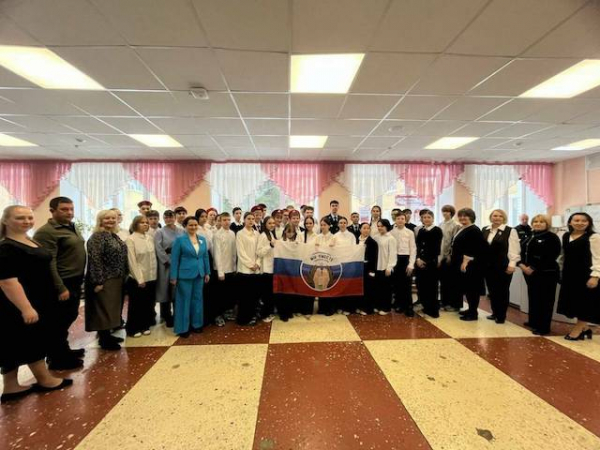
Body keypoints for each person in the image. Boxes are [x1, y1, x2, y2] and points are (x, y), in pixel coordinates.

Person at [0, 205, 73, 403]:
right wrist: (26, 308)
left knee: (15, 341)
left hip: (39, 298)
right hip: (22, 302)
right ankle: (45, 379)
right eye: (20, 218)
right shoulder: (6, 247)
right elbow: (7, 282)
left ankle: (11, 386)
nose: (27, 221)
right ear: (6, 220)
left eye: (29, 217)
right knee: (33, 339)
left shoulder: (27, 239)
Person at [33, 196, 86, 370]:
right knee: (57, 322)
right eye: (64, 209)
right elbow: (49, 262)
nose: (69, 212)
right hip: (62, 282)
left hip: (75, 280)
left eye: (71, 209)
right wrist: (60, 287)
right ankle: (56, 358)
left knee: (68, 317)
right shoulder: (46, 232)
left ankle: (63, 350)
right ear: (52, 211)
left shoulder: (71, 226)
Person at [85, 210, 128, 350]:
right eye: (107, 218)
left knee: (111, 308)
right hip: (105, 279)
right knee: (103, 309)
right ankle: (104, 339)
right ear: (100, 220)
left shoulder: (113, 235)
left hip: (116, 277)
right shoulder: (97, 236)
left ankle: (108, 334)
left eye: (113, 218)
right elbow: (95, 260)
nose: (110, 220)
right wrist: (98, 281)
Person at [557, 212, 600, 340]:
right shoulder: (566, 236)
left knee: (584, 303)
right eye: (576, 220)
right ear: (570, 222)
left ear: (589, 223)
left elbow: (598, 258)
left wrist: (595, 276)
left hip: (586, 275)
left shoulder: (594, 237)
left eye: (584, 221)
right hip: (570, 275)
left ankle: (577, 330)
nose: (580, 223)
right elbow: (563, 256)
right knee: (573, 302)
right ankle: (585, 329)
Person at [518, 214, 561, 336]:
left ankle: (544, 327)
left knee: (545, 301)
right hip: (529, 273)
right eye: (535, 221)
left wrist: (532, 267)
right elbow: (522, 252)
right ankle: (534, 321)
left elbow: (551, 255)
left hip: (546, 273)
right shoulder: (530, 235)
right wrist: (521, 265)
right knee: (534, 297)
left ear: (547, 224)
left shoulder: (552, 237)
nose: (538, 223)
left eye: (542, 222)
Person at [170, 216, 210, 338]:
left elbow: (205, 257)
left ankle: (197, 324)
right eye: (190, 225)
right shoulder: (180, 240)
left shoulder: (202, 239)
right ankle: (183, 328)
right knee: (184, 301)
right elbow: (174, 259)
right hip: (184, 275)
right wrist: (173, 276)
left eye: (195, 225)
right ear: (185, 226)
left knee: (197, 299)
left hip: (199, 274)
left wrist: (207, 272)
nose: (193, 227)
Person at [482, 209, 521, 324]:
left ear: (504, 218)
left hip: (503, 266)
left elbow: (514, 249)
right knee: (492, 290)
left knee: (502, 291)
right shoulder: (485, 229)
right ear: (491, 217)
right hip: (488, 266)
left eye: (500, 216)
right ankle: (494, 312)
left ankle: (501, 315)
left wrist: (512, 264)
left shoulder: (510, 231)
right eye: (495, 216)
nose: (497, 218)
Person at [125, 215, 158, 337]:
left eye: (146, 222)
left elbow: (153, 258)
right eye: (141, 222)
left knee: (148, 303)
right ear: (135, 224)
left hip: (151, 276)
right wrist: (139, 279)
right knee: (136, 305)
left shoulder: (149, 238)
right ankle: (133, 328)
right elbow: (132, 261)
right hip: (138, 278)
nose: (145, 224)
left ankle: (145, 325)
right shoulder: (131, 239)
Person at [452, 208, 487, 321]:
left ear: (471, 217)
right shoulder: (463, 228)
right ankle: (470, 309)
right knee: (467, 288)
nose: (462, 218)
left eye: (465, 216)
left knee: (472, 289)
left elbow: (477, 248)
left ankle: (473, 313)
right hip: (462, 262)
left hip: (470, 265)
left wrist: (466, 261)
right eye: (460, 216)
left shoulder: (474, 230)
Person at [154, 210, 182, 328]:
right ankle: (166, 315)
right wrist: (167, 260)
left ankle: (177, 313)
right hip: (166, 262)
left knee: (177, 288)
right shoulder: (160, 232)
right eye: (166, 218)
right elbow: (158, 248)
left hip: (179, 261)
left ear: (175, 218)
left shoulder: (181, 230)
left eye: (171, 217)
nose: (169, 219)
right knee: (165, 288)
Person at [414, 210, 443, 319]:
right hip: (419, 262)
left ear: (433, 218)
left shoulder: (437, 230)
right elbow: (418, 246)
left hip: (430, 263)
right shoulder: (421, 230)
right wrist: (418, 259)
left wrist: (425, 261)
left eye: (428, 217)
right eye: (424, 217)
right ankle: (425, 307)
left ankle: (433, 311)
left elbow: (436, 248)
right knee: (422, 286)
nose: (426, 219)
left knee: (431, 287)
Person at [236, 212, 261, 326]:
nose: (251, 221)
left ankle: (252, 316)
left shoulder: (257, 233)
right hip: (244, 270)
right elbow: (241, 252)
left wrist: (257, 263)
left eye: (252, 219)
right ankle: (243, 318)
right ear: (244, 220)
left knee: (254, 296)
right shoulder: (240, 234)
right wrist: (251, 265)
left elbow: (259, 250)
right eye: (248, 219)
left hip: (256, 270)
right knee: (244, 296)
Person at [212, 212, 237, 326]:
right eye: (224, 220)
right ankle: (218, 315)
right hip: (221, 270)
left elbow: (234, 252)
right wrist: (220, 272)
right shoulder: (217, 235)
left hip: (231, 268)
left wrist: (235, 267)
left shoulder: (232, 233)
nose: (227, 222)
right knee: (219, 295)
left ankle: (227, 313)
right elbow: (217, 254)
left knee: (228, 293)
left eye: (228, 220)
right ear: (220, 221)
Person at [390, 213, 416, 317]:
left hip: (406, 260)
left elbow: (413, 249)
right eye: (398, 218)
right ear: (395, 220)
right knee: (397, 284)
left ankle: (409, 307)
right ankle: (400, 305)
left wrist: (411, 264)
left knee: (406, 285)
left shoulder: (410, 232)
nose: (400, 220)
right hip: (395, 260)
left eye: (402, 218)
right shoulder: (391, 232)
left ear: (405, 220)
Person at [439, 205, 461, 311]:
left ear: (451, 213)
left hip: (450, 257)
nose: (445, 213)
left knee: (451, 281)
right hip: (441, 255)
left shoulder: (456, 225)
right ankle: (444, 302)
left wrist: (450, 255)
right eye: (443, 211)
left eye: (447, 211)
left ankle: (452, 303)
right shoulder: (441, 224)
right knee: (443, 281)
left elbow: (454, 242)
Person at [373, 219, 397, 315]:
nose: (380, 228)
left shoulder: (391, 238)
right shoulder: (376, 237)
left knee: (386, 289)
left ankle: (386, 308)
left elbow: (393, 254)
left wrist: (389, 267)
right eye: (378, 226)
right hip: (377, 266)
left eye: (382, 226)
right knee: (378, 288)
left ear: (386, 226)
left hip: (385, 267)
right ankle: (378, 305)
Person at [257, 216, 278, 322]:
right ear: (265, 224)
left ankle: (269, 312)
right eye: (269, 223)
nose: (272, 225)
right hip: (265, 269)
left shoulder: (271, 234)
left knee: (270, 293)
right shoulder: (263, 236)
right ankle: (265, 315)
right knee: (266, 294)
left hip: (272, 268)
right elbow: (259, 252)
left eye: (273, 223)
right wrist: (270, 245)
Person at [315, 217, 336, 315]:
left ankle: (330, 308)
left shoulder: (333, 237)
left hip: (330, 264)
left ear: (329, 226)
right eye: (321, 225)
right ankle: (321, 308)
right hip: (319, 264)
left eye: (325, 225)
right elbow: (316, 250)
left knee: (329, 285)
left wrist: (324, 249)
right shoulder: (318, 237)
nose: (323, 227)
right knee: (320, 285)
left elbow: (333, 251)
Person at [356, 223, 378, 315]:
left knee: (368, 289)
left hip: (368, 268)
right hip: (357, 268)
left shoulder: (372, 242)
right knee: (358, 288)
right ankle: (359, 306)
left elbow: (374, 258)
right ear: (360, 229)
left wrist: (372, 271)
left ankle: (368, 309)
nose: (366, 230)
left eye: (368, 228)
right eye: (364, 228)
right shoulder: (356, 240)